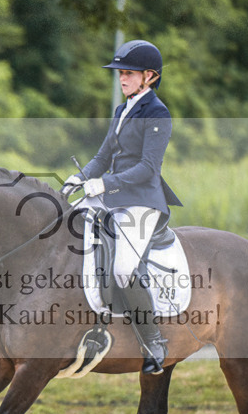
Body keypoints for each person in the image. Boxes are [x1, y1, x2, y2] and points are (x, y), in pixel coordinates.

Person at [63, 39, 181, 375]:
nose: (122, 79)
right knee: (64, 232)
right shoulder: (121, 110)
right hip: (112, 196)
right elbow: (102, 157)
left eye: (128, 73)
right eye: (120, 74)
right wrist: (79, 177)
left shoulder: (158, 113)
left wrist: (104, 184)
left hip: (143, 201)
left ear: (150, 76)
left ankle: (153, 341)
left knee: (124, 269)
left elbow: (147, 167)